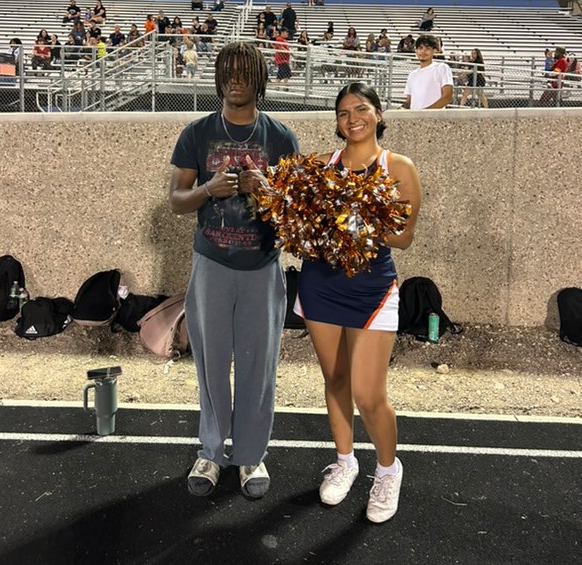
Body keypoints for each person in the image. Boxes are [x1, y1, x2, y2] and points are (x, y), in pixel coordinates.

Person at [169, 42, 299, 499]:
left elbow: (293, 211)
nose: (236, 79)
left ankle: (250, 454)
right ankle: (210, 450)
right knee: (210, 363)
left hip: (262, 265)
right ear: (219, 77)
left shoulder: (281, 137)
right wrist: (208, 189)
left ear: (260, 79)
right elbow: (176, 201)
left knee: (257, 366)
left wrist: (265, 190)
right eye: (229, 71)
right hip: (212, 263)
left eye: (246, 72)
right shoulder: (197, 133)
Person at [296, 82, 421, 523]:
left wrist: (357, 221)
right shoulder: (320, 167)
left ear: (379, 114)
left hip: (371, 290)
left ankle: (388, 471)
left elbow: (404, 237)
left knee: (368, 396)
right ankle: (345, 461)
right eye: (344, 112)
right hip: (320, 283)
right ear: (336, 121)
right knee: (336, 379)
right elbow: (298, 222)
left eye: (362, 108)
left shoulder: (398, 167)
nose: (353, 118)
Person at [401, 35, 453, 109]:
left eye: (427, 48)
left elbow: (447, 97)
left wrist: (426, 113)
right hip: (415, 115)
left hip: (435, 116)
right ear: (416, 51)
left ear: (434, 50)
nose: (423, 51)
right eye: (420, 48)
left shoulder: (441, 68)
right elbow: (409, 102)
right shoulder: (412, 75)